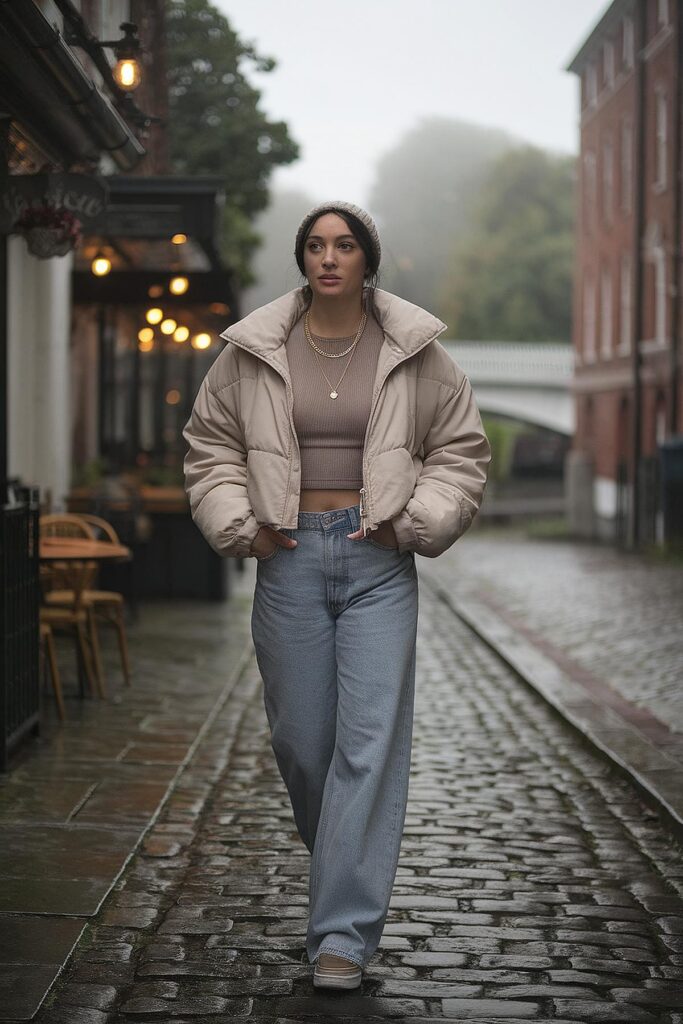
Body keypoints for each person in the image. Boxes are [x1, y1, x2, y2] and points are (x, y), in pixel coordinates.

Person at [183, 200, 491, 989]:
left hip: (376, 561)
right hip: (284, 559)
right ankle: (342, 868)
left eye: (344, 245)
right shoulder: (252, 350)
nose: (329, 257)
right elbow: (210, 444)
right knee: (302, 745)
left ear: (366, 259)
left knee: (368, 747)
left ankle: (341, 938)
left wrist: (415, 521)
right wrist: (241, 528)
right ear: (303, 259)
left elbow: (459, 452)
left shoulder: (414, 351)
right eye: (316, 245)